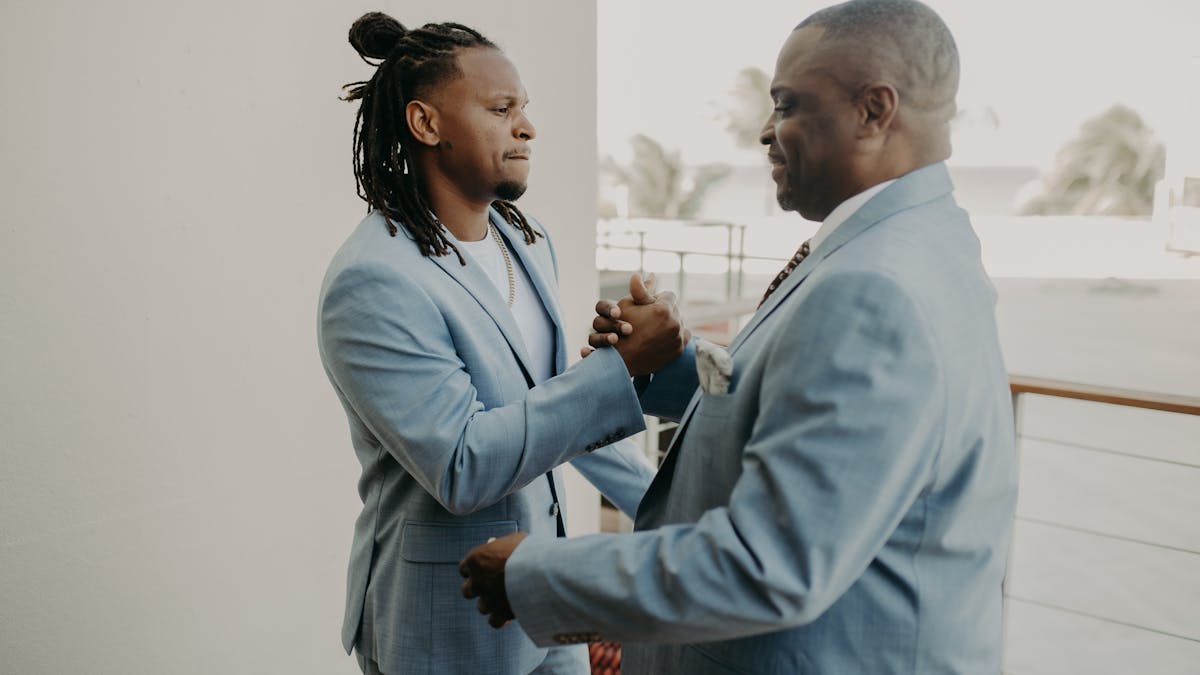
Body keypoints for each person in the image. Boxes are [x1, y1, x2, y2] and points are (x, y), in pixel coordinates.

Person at [460, 1, 1019, 673]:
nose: (764, 131)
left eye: (786, 105)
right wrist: (658, 367)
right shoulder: (925, 240)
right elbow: (800, 392)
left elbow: (769, 564)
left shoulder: (873, 289)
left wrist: (533, 574)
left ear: (875, 110)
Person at [317, 13, 687, 675]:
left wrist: (665, 507)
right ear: (426, 124)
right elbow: (463, 465)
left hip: (542, 603)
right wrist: (618, 369)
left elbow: (551, 410)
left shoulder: (529, 239)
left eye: (524, 107)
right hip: (444, 626)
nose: (527, 125)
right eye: (500, 107)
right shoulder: (374, 281)